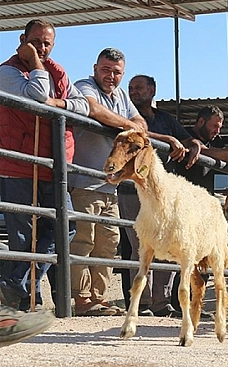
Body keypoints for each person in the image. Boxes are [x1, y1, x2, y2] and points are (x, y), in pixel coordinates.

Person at [0, 19, 90, 311]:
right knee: (23, 237)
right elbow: (38, 96)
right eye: (36, 41)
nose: (41, 47)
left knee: (66, 227)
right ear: (23, 38)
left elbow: (83, 106)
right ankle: (29, 301)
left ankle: (14, 286)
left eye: (46, 43)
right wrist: (36, 62)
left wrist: (60, 104)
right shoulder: (7, 71)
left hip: (53, 168)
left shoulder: (58, 72)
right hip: (19, 167)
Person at [69, 48, 148, 316]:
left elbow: (140, 121)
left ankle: (98, 298)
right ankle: (82, 299)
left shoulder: (121, 95)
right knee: (83, 241)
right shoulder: (84, 86)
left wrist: (128, 124)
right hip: (84, 180)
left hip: (110, 183)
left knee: (108, 243)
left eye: (116, 72)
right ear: (95, 68)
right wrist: (128, 126)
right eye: (106, 70)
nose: (111, 76)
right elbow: (95, 110)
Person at [117, 74, 201, 317]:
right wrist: (169, 141)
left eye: (139, 88)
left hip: (164, 193)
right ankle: (140, 303)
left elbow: (186, 138)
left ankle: (161, 303)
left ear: (152, 90)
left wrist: (193, 144)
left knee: (167, 243)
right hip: (133, 190)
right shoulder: (127, 116)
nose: (134, 92)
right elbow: (134, 135)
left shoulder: (165, 118)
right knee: (140, 244)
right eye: (131, 88)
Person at [173, 105, 228, 192]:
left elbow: (221, 155)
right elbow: (205, 151)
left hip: (205, 197)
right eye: (215, 126)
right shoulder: (184, 136)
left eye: (219, 128)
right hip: (183, 194)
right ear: (201, 121)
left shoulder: (216, 141)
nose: (217, 131)